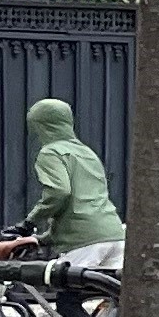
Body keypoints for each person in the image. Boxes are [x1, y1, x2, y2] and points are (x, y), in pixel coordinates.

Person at [21, 96, 121, 250]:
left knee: (58, 275)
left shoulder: (51, 152)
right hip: (115, 237)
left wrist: (29, 222)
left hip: (84, 244)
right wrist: (42, 239)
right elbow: (86, 203)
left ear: (41, 126)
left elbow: (59, 192)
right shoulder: (87, 153)